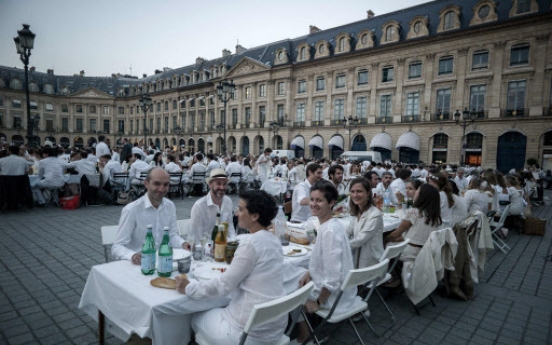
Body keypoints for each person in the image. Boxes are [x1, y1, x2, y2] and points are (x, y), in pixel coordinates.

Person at [175, 190, 284, 345]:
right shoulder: (273, 240)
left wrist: (189, 288)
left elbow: (223, 286)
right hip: (273, 327)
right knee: (218, 306)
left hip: (247, 334)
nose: (236, 213)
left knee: (194, 316)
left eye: (240, 209)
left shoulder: (251, 244)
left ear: (254, 216)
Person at [293, 180, 360, 344]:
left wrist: (317, 302)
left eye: (319, 200)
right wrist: (310, 272)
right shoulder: (332, 224)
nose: (314, 204)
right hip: (344, 291)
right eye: (312, 199)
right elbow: (326, 262)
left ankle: (305, 337)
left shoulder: (329, 231)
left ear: (331, 203)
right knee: (297, 276)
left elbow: (333, 277)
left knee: (288, 289)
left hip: (335, 299)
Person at [112, 168, 187, 262]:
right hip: (140, 264)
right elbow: (117, 246)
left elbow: (171, 235)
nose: (162, 188)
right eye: (157, 183)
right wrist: (132, 255)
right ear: (146, 184)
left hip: (163, 261)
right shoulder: (132, 210)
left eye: (166, 184)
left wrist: (183, 244)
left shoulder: (170, 206)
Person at [385, 184, 442, 281]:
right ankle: (394, 275)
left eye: (417, 191)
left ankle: (391, 277)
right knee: (394, 240)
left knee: (383, 245)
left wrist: (384, 240)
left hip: (411, 252)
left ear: (421, 196)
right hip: (425, 251)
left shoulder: (415, 212)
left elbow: (397, 233)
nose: (415, 192)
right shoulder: (434, 215)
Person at [190, 169, 236, 242]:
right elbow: (195, 236)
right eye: (218, 184)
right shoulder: (199, 206)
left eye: (224, 184)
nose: (222, 187)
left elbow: (230, 226)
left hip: (225, 245)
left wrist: (233, 242)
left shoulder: (228, 201)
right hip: (206, 248)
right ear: (210, 184)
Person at [347, 177, 384, 268]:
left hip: (371, 264)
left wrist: (338, 247)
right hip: (359, 258)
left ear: (368, 193)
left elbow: (360, 239)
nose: (355, 195)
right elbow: (348, 231)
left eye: (359, 191)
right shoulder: (358, 212)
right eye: (352, 191)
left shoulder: (375, 214)